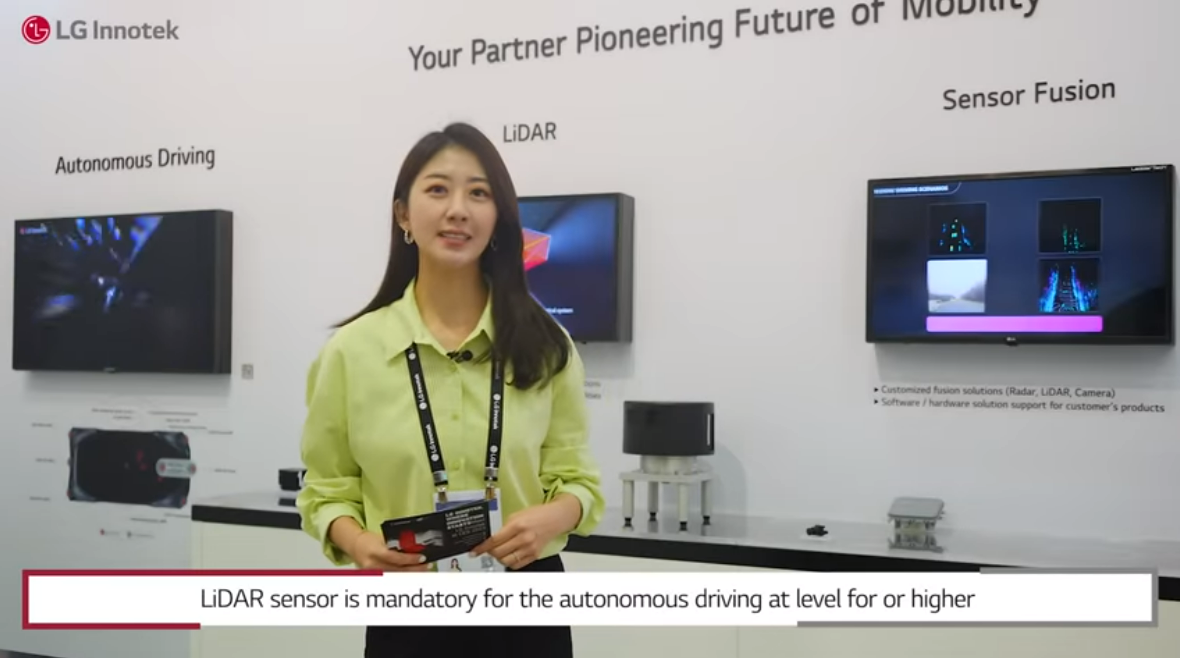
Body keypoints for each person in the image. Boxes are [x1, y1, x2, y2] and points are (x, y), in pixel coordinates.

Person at [295, 122, 605, 658]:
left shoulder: (547, 345)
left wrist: (555, 516)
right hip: (408, 605)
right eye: (438, 189)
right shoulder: (351, 352)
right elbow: (326, 491)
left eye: (478, 193)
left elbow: (578, 481)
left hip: (527, 602)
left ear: (498, 218)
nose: (458, 209)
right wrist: (361, 544)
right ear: (403, 214)